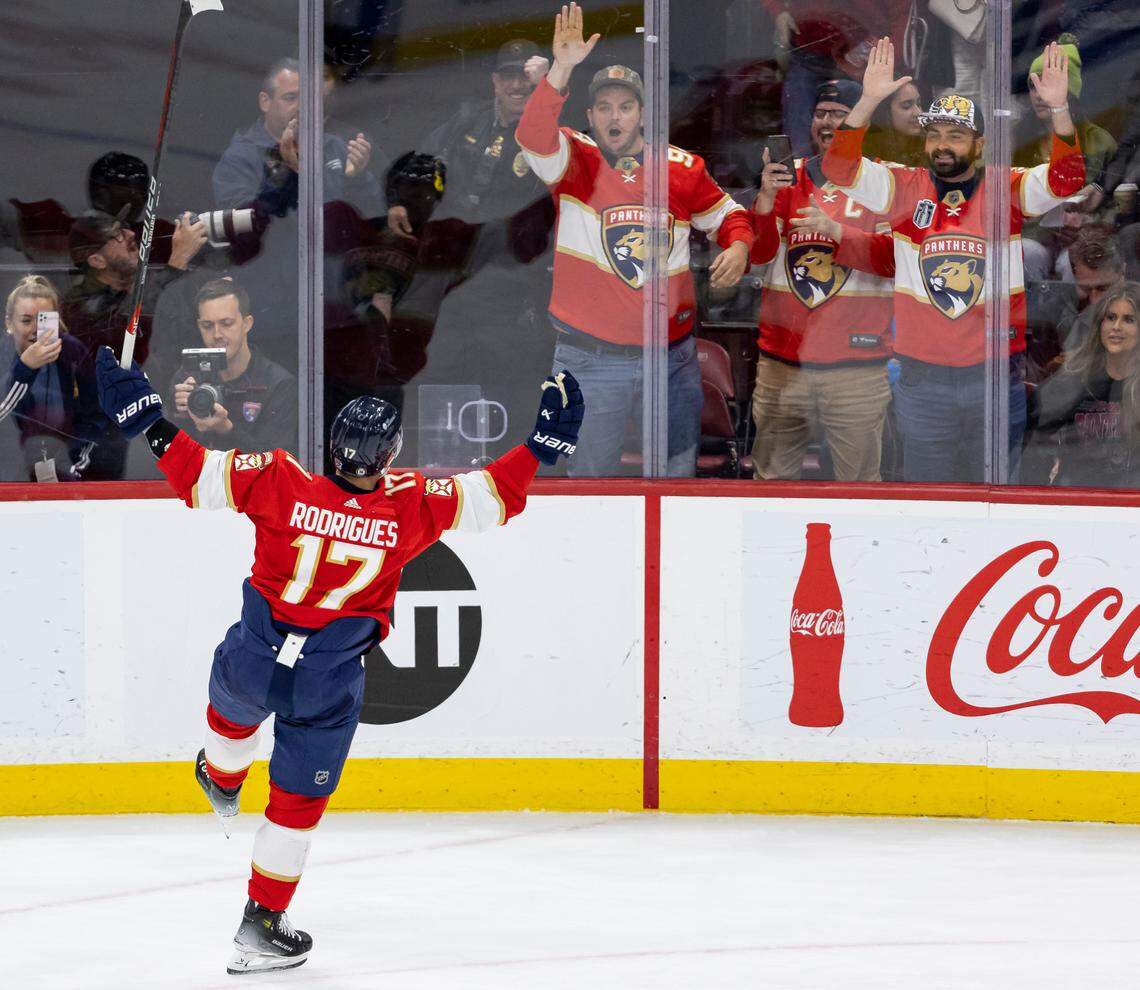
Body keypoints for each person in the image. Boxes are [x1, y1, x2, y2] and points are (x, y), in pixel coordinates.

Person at [93, 346, 584, 974]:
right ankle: (261, 924)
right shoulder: (410, 504)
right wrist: (541, 446)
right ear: (389, 455)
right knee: (294, 808)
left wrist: (146, 420)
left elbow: (197, 475)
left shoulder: (277, 478)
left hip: (253, 653)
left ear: (331, 444)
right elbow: (490, 498)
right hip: (325, 683)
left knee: (233, 715)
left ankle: (220, 781)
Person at [821, 38, 1086, 483]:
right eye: (935, 134)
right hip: (923, 383)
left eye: (956, 135)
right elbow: (839, 170)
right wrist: (867, 100)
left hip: (994, 379)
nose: (943, 145)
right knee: (928, 498)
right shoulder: (901, 187)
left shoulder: (1008, 189)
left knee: (996, 496)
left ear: (979, 145)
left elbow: (1066, 181)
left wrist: (1059, 110)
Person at [516, 3, 753, 477]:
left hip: (672, 359)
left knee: (676, 481)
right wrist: (562, 68)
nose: (614, 116)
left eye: (625, 106)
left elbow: (729, 215)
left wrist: (741, 245)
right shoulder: (574, 161)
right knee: (589, 481)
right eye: (604, 107)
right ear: (590, 114)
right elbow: (533, 135)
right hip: (590, 357)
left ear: (643, 114)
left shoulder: (682, 169)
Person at [384, 39, 558, 465]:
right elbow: (422, 163)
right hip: (456, 288)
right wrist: (403, 199)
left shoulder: (555, 136)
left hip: (516, 289)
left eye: (527, 76)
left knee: (513, 391)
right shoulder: (467, 122)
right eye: (509, 75)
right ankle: (433, 475)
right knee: (436, 376)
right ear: (495, 81)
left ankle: (512, 481)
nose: (517, 84)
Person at [749, 78, 896, 481]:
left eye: (839, 113)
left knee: (860, 490)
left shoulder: (884, 182)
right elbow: (759, 255)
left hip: (856, 369)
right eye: (820, 113)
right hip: (783, 363)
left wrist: (838, 234)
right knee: (771, 487)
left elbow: (895, 261)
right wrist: (763, 201)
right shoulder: (785, 180)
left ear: (860, 122)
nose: (827, 122)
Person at [61, 208, 207, 479]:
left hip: (175, 413)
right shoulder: (78, 308)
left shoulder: (148, 285)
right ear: (96, 259)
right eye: (116, 234)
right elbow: (127, 341)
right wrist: (176, 262)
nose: (130, 234)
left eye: (125, 227)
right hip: (114, 437)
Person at [1014, 36, 1117, 282]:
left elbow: (1116, 202)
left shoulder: (1100, 142)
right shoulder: (1017, 140)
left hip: (1085, 239)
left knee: (1073, 261)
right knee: (1026, 254)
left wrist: (1089, 225)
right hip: (1033, 237)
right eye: (1032, 86)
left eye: (1047, 84)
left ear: (1068, 91)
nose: (1038, 94)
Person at [1032, 281, 1140, 487]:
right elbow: (1036, 441)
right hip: (1078, 500)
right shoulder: (1075, 379)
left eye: (1129, 320)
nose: (1116, 327)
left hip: (1132, 505)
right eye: (1110, 318)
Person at [170, 278, 297, 452]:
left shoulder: (278, 384)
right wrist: (178, 412)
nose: (217, 334)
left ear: (247, 323)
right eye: (207, 326)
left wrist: (227, 430)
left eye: (226, 323)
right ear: (199, 326)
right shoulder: (186, 378)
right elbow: (168, 454)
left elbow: (278, 467)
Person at [0, 275, 99, 481]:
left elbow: (95, 413)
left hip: (66, 462)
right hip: (10, 467)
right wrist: (25, 368)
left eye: (45, 319)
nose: (36, 329)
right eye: (26, 320)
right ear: (9, 323)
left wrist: (77, 461)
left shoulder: (72, 351)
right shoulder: (3, 353)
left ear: (57, 319)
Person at [864, 78, 927, 167]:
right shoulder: (867, 157)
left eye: (919, 104)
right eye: (907, 106)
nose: (918, 113)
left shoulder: (929, 146)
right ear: (884, 111)